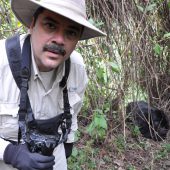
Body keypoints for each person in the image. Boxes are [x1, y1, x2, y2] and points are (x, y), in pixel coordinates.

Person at [0, 0, 105, 170]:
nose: (59, 40)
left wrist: (68, 143)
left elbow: (73, 113)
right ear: (32, 24)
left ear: (77, 39)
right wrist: (10, 152)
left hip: (53, 157)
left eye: (70, 32)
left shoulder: (76, 68)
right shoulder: (2, 62)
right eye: (50, 25)